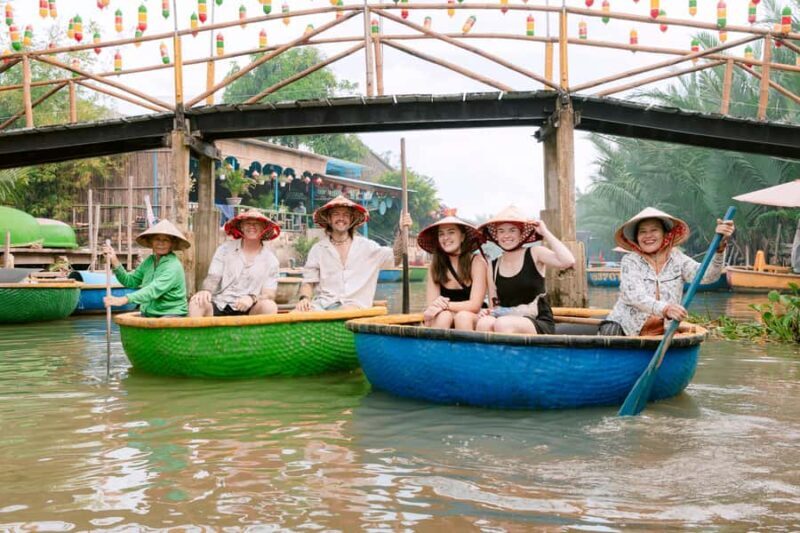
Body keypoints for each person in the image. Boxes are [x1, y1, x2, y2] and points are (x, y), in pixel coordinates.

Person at [599, 207, 735, 337]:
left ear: (665, 234)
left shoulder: (677, 258)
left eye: (654, 230)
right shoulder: (630, 261)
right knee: (610, 332)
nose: (648, 236)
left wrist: (719, 250)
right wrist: (666, 309)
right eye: (642, 232)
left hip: (665, 331)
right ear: (636, 238)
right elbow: (634, 296)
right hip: (626, 328)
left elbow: (707, 276)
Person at [295, 195, 412, 311]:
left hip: (354, 306)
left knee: (346, 310)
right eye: (336, 214)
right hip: (323, 305)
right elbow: (308, 282)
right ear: (329, 219)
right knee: (297, 313)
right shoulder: (318, 249)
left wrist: (402, 231)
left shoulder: (367, 247)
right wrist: (304, 299)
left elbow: (395, 258)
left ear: (351, 220)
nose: (341, 218)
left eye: (346, 215)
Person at [475, 206, 575, 335]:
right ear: (496, 236)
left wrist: (545, 232)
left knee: (503, 323)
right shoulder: (493, 265)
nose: (506, 235)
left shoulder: (535, 253)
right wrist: (488, 312)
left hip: (536, 319)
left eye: (512, 230)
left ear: (521, 234)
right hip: (506, 317)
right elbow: (495, 305)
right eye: (501, 231)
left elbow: (568, 261)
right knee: (484, 323)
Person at [190, 210, 281, 317]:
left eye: (256, 224)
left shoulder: (271, 260)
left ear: (263, 228)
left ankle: (254, 328)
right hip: (221, 303)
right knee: (197, 302)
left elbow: (269, 294)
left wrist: (252, 298)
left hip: (250, 309)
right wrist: (206, 290)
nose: (252, 226)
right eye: (247, 223)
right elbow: (213, 277)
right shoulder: (224, 249)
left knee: (269, 306)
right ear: (241, 227)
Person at [102, 219, 189, 317]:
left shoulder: (173, 266)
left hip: (171, 314)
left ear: (171, 244)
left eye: (166, 240)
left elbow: (154, 289)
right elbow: (130, 281)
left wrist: (124, 299)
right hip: (149, 313)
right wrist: (114, 260)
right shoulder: (150, 261)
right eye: (157, 239)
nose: (161, 243)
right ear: (151, 242)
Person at [417, 214, 487, 330]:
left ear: (462, 237)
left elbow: (474, 305)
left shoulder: (477, 262)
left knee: (462, 317)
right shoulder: (435, 266)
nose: (445, 238)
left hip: (472, 316)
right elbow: (432, 304)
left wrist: (445, 305)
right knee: (443, 317)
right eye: (441, 234)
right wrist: (440, 308)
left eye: (451, 232)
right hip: (445, 316)